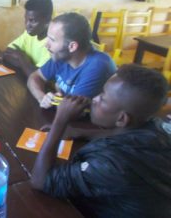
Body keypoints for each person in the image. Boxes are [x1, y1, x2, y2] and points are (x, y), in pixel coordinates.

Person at [30, 64, 171, 217]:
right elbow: (127, 136)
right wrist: (81, 132)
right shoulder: (157, 127)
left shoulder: (110, 165)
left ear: (122, 119)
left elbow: (40, 181)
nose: (94, 99)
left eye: (102, 98)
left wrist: (60, 121)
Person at [27, 12, 116, 109]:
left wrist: (57, 97)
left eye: (52, 40)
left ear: (72, 46)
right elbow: (35, 77)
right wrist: (42, 98)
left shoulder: (98, 65)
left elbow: (71, 109)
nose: (46, 45)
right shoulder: (62, 55)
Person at [3, 0, 52, 76]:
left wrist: (21, 56)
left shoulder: (51, 45)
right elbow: (7, 53)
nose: (27, 25)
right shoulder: (29, 34)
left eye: (32, 21)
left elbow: (36, 76)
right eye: (25, 19)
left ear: (47, 20)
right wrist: (27, 65)